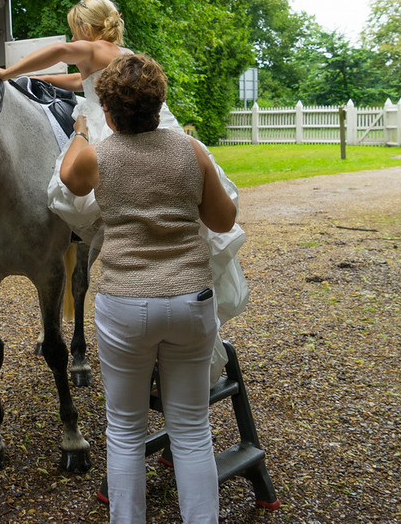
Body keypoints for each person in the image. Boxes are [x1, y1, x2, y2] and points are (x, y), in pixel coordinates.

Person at [0, 0, 249, 386]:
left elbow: (61, 52)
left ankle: (95, 236)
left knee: (72, 191)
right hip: (157, 128)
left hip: (109, 126)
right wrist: (44, 81)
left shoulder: (90, 46)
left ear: (85, 27)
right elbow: (83, 81)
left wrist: (7, 72)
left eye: (75, 27)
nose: (73, 35)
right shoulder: (123, 53)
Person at [60, 54, 236, 523]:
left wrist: (81, 127)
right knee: (193, 431)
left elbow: (67, 177)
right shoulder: (191, 150)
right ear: (160, 105)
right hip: (190, 300)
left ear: (109, 113)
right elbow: (222, 220)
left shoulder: (99, 156)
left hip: (124, 303)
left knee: (124, 430)